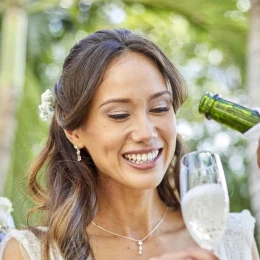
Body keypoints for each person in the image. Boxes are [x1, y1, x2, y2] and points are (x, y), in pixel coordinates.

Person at [0, 29, 259, 260]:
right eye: (119, 115)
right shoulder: (31, 252)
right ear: (74, 131)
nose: (146, 133)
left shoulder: (233, 239)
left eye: (159, 108)